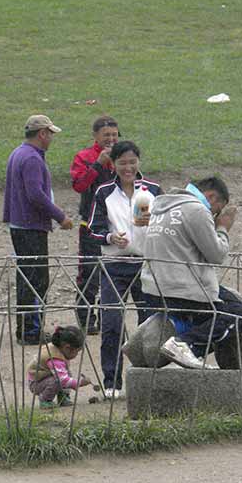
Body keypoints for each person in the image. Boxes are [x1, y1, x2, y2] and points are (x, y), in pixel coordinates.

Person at [140, 176, 242, 369]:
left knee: (231, 301)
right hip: (179, 290)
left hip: (153, 287)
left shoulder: (163, 206)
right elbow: (217, 255)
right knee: (240, 315)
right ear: (210, 197)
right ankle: (185, 345)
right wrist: (223, 227)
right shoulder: (196, 209)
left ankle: (173, 345)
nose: (214, 214)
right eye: (217, 209)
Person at [86, 141, 161, 399]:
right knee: (112, 322)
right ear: (113, 165)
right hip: (114, 265)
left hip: (145, 264)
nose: (128, 168)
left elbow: (164, 225)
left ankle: (147, 378)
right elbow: (92, 228)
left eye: (132, 162)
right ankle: (112, 382)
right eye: (122, 163)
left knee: (150, 321)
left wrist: (151, 231)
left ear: (138, 162)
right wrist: (109, 238)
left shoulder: (151, 190)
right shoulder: (104, 192)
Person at [2, 114, 74, 345]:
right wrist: (60, 216)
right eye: (50, 133)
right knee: (36, 279)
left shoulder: (18, 152)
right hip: (30, 226)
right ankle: (31, 331)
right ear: (42, 133)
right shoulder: (32, 159)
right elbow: (36, 194)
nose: (51, 138)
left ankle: (25, 329)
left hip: (19, 223)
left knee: (26, 277)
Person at [70, 115, 121, 333]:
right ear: (96, 136)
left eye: (114, 135)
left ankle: (107, 316)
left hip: (117, 225)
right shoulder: (84, 157)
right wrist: (98, 164)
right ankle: (85, 317)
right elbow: (79, 185)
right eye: (106, 135)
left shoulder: (124, 155)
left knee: (114, 272)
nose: (111, 139)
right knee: (89, 272)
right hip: (90, 224)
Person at [26, 325, 93, 409]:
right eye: (77, 352)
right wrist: (79, 383)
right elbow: (63, 380)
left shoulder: (59, 349)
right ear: (67, 348)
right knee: (57, 380)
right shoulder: (54, 358)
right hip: (36, 383)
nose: (77, 355)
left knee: (66, 373)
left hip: (45, 376)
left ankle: (63, 397)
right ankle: (45, 400)